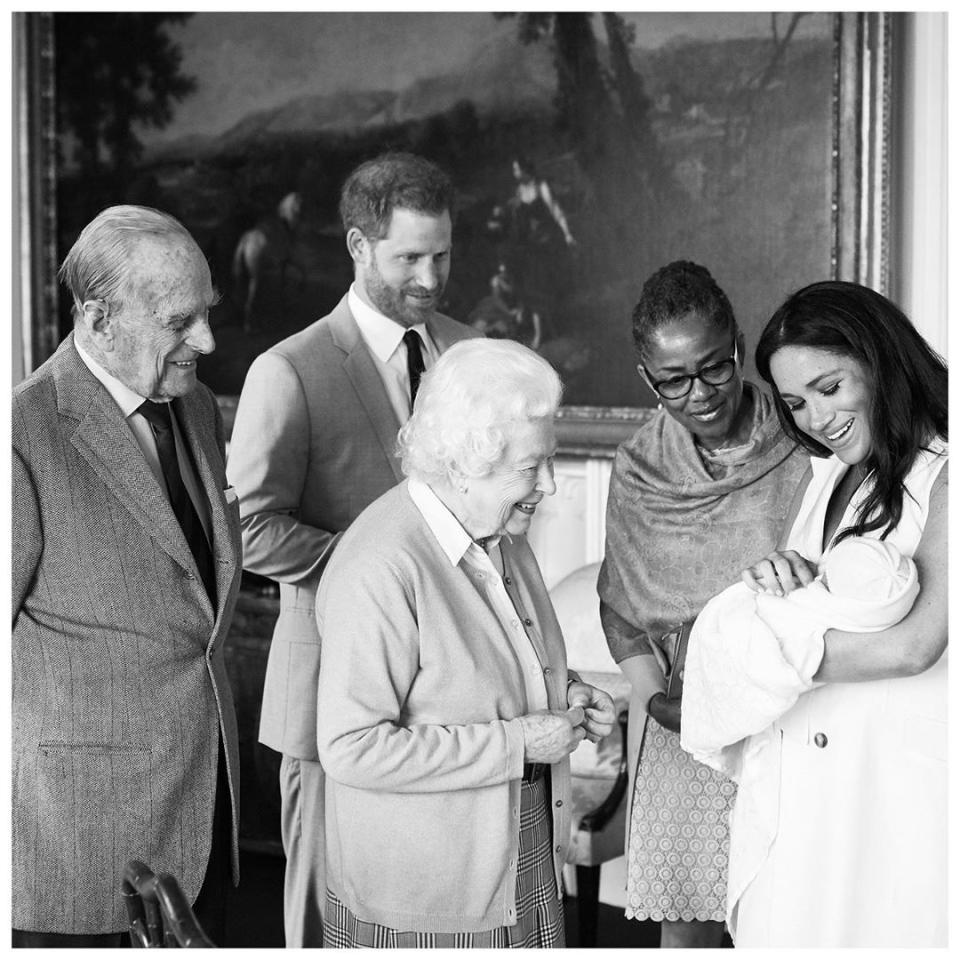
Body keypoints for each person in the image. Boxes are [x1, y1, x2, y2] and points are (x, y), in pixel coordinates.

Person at [225, 151, 480, 946]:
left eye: (441, 255)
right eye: (409, 258)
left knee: (421, 913)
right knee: (321, 917)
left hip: (448, 698)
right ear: (357, 247)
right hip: (329, 687)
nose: (431, 278)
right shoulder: (289, 370)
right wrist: (382, 574)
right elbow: (250, 528)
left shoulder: (469, 352)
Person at [315, 338, 617, 947]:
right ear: (460, 465)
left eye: (549, 460)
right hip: (428, 898)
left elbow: (489, 672)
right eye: (531, 467)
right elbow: (351, 747)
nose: (550, 485)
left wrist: (568, 694)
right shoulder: (380, 564)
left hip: (520, 860)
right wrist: (520, 741)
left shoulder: (501, 532)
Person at [12, 205, 242, 946]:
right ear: (96, 316)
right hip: (80, 842)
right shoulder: (22, 433)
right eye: (180, 321)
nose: (204, 341)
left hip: (205, 814)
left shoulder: (197, 407)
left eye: (205, 314)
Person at [723, 280, 948, 947]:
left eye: (830, 387)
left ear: (880, 361)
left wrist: (753, 652)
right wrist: (775, 582)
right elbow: (809, 602)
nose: (815, 418)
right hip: (809, 782)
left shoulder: (946, 471)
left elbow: (918, 645)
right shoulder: (829, 476)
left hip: (893, 787)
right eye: (795, 402)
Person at [596, 261, 808, 948]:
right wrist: (653, 694)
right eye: (674, 381)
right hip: (686, 720)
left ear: (739, 347)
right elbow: (622, 602)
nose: (700, 393)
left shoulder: (804, 442)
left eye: (715, 368)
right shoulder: (638, 469)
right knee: (689, 930)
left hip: (791, 712)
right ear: (645, 378)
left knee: (786, 917)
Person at [681, 537, 920, 771]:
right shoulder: (831, 574)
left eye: (826, 581)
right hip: (780, 744)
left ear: (850, 612)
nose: (819, 582)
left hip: (845, 743)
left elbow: (772, 670)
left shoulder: (813, 632)